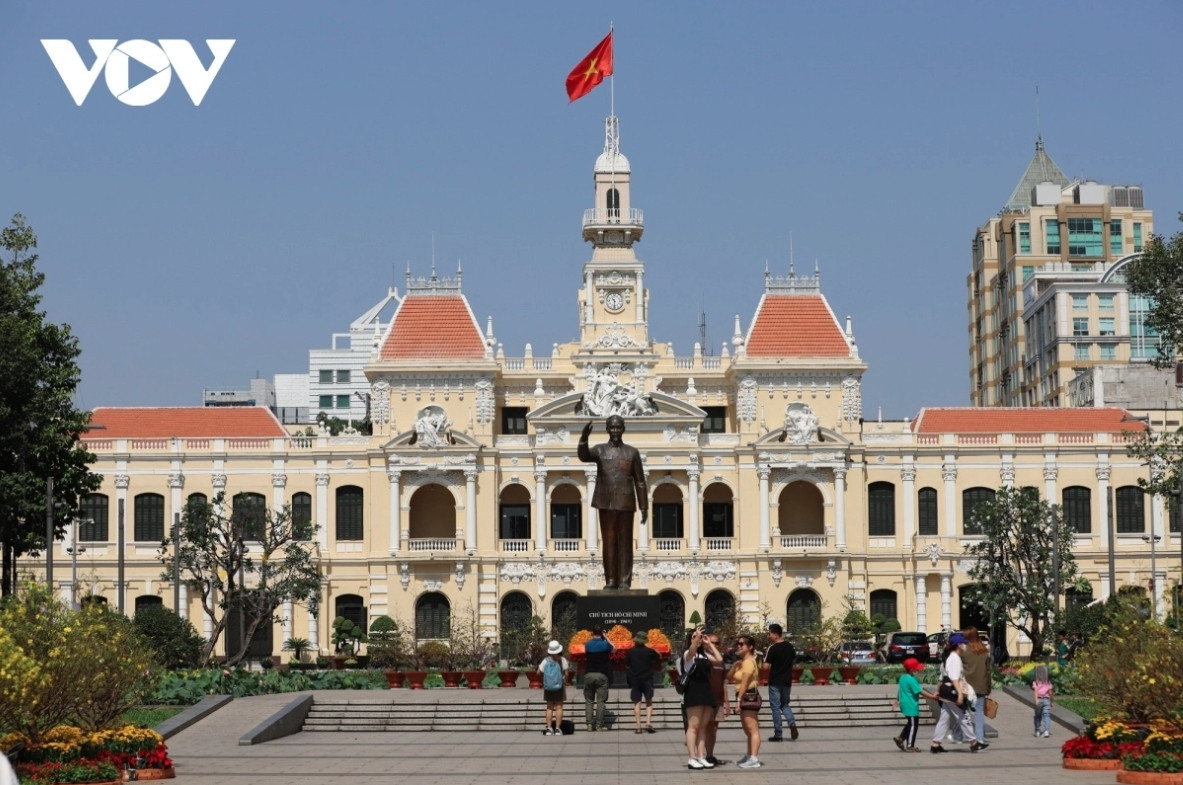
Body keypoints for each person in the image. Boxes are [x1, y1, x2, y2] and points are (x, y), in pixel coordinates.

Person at [578, 415, 648, 590]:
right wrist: (584, 438)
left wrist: (644, 506)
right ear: (607, 429)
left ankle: (624, 580)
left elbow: (640, 481)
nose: (615, 430)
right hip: (606, 502)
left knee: (625, 543)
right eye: (612, 427)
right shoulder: (600, 450)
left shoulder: (632, 453)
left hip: (625, 502)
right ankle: (610, 580)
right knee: (609, 542)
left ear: (623, 429)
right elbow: (584, 456)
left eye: (618, 427)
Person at [682, 625, 723, 769]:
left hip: (706, 691)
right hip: (694, 692)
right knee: (693, 726)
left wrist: (709, 643)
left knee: (703, 727)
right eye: (695, 637)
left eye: (700, 638)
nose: (699, 640)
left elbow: (719, 659)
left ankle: (701, 756)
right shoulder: (688, 654)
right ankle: (692, 758)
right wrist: (696, 639)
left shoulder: (704, 655)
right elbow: (692, 651)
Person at [930, 633, 975, 753]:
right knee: (963, 715)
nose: (965, 645)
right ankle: (974, 742)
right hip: (951, 691)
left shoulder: (949, 658)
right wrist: (960, 694)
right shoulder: (955, 658)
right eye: (963, 643)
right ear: (959, 645)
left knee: (944, 718)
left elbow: (942, 678)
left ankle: (935, 744)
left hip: (945, 690)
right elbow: (954, 678)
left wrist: (938, 690)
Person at [728, 634, 764, 768]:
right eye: (738, 644)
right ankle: (749, 755)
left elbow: (745, 683)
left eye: (742, 644)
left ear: (750, 647)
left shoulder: (749, 662)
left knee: (752, 728)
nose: (739, 646)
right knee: (747, 729)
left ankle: (754, 758)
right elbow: (729, 677)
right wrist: (734, 667)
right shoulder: (742, 662)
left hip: (748, 696)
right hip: (743, 695)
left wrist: (738, 700)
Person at [764, 622, 799, 741]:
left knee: (775, 707)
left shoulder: (772, 648)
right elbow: (793, 662)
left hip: (775, 681)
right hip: (787, 681)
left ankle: (778, 734)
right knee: (785, 704)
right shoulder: (789, 647)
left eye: (769, 633)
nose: (768, 636)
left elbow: (766, 667)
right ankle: (792, 723)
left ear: (775, 634)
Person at [702, 631, 731, 766]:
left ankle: (710, 755)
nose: (714, 645)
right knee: (704, 727)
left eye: (716, 643)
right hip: (705, 699)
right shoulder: (704, 659)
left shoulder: (720, 662)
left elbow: (723, 682)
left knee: (713, 728)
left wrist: (727, 702)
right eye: (711, 642)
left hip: (718, 699)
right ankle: (699, 755)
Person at [960, 626, 992, 752]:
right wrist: (988, 686)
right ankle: (980, 739)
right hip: (981, 685)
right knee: (979, 712)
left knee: (963, 711)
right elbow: (988, 671)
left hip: (966, 686)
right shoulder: (984, 650)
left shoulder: (963, 650)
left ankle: (960, 735)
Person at [626, 630, 659, 734]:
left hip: (635, 680)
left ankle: (638, 726)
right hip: (647, 679)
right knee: (649, 701)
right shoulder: (649, 651)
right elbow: (657, 658)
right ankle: (648, 723)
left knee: (637, 703)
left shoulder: (630, 652)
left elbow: (627, 665)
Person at [893, 657, 929, 752]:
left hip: (904, 704)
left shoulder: (903, 678)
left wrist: (897, 699)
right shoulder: (911, 680)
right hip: (911, 705)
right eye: (916, 668)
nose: (918, 670)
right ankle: (910, 746)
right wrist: (932, 697)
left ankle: (900, 738)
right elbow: (920, 691)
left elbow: (900, 690)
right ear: (912, 669)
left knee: (911, 723)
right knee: (913, 725)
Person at [582, 626, 614, 731]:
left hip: (589, 674)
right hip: (601, 675)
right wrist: (606, 638)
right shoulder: (605, 644)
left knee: (589, 701)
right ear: (601, 633)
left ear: (592, 632)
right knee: (600, 701)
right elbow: (614, 649)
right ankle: (599, 725)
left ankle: (589, 724)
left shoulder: (588, 644)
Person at [539, 640, 569, 736]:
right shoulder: (562, 660)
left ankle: (549, 728)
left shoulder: (545, 661)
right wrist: (563, 679)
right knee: (559, 707)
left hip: (548, 687)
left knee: (549, 707)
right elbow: (566, 673)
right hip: (559, 686)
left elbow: (538, 672)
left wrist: (546, 678)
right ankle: (557, 729)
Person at [1033, 664, 1054, 738]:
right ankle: (1046, 731)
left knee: (1037, 716)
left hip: (1039, 699)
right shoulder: (1048, 682)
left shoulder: (1036, 682)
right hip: (1046, 700)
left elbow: (1036, 691)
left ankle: (1037, 731)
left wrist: (1036, 700)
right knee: (1047, 716)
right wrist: (1051, 701)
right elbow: (1050, 693)